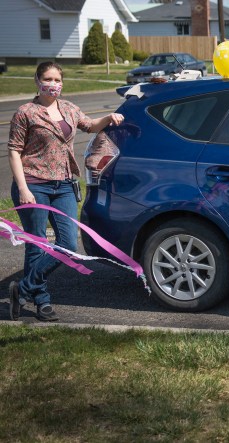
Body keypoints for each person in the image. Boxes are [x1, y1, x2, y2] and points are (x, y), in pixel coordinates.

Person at [7, 61, 124, 322]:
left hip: (64, 186)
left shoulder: (69, 108)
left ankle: (23, 289)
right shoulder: (26, 112)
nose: (53, 84)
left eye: (58, 80)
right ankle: (42, 302)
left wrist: (109, 118)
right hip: (33, 184)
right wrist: (24, 188)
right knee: (36, 245)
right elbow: (14, 150)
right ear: (37, 81)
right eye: (48, 79)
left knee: (68, 244)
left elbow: (90, 125)